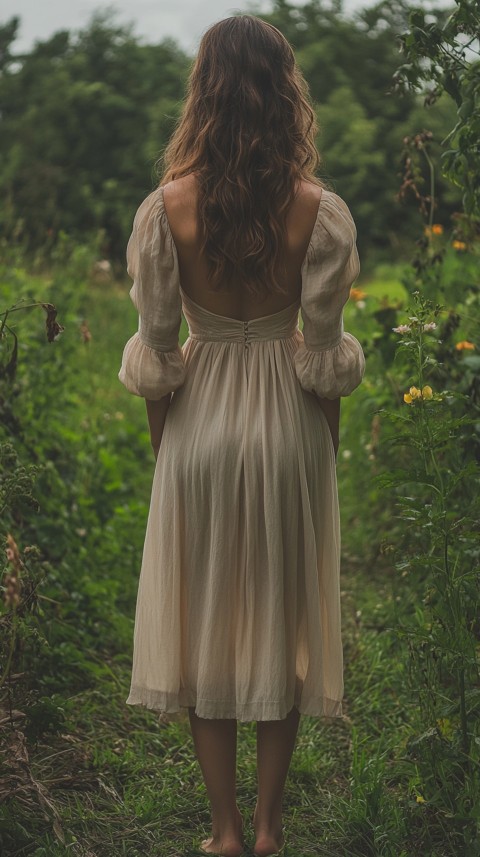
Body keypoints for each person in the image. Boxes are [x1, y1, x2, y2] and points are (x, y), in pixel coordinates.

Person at [118, 14, 365, 857]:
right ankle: (268, 828)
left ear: (204, 90)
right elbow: (325, 362)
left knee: (204, 621)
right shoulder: (317, 212)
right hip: (287, 426)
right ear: (285, 90)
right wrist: (318, 451)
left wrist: (173, 452)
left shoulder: (167, 210)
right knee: (282, 621)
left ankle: (221, 830)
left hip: (201, 427)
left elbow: (157, 359)